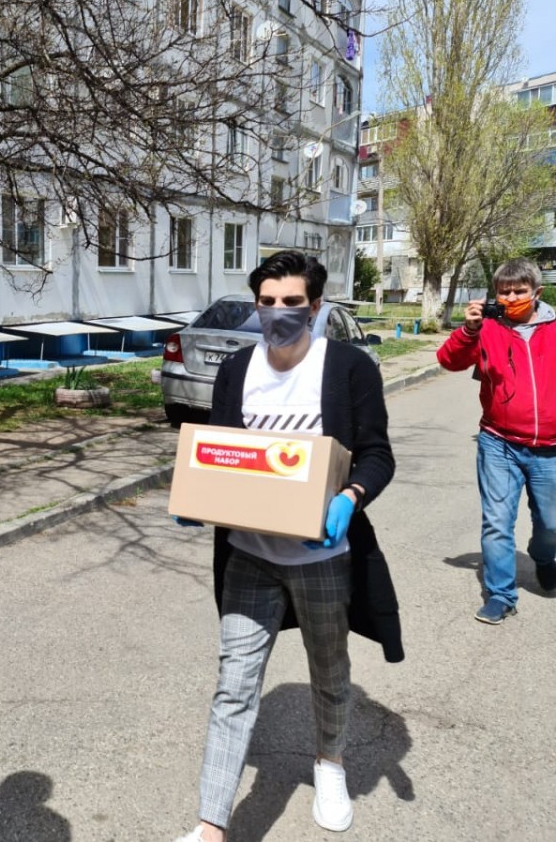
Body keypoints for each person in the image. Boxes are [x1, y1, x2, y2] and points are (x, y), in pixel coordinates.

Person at [173, 251, 401, 841]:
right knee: (234, 686)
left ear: (315, 307)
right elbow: (220, 451)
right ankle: (211, 824)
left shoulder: (348, 367)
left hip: (322, 558)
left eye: (292, 303)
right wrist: (198, 495)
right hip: (249, 557)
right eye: (267, 302)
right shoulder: (236, 370)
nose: (278, 313)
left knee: (329, 669)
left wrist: (350, 496)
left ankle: (330, 764)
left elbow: (377, 454)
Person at [436, 257, 556, 625]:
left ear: (537, 292)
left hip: (551, 448)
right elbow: (448, 360)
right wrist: (468, 330)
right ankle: (501, 595)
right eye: (505, 292)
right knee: (497, 522)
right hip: (499, 443)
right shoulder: (487, 327)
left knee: (551, 525)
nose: (512, 297)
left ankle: (544, 556)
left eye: (519, 291)